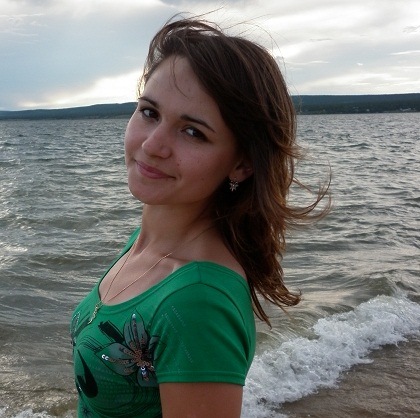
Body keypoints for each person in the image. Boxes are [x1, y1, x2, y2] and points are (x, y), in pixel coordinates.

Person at [70, 15, 328, 418]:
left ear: (241, 164)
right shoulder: (147, 245)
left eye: (193, 132)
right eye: (149, 112)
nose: (153, 145)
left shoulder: (198, 301)